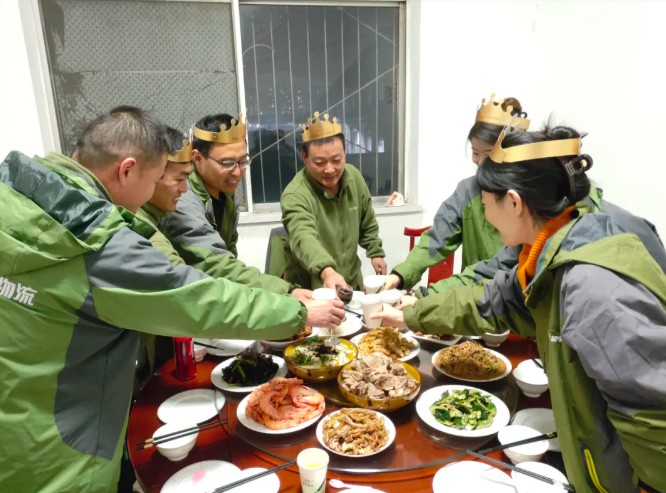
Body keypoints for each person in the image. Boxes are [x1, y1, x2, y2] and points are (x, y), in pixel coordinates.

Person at [0, 106, 344, 493]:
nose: (163, 192)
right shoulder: (94, 240)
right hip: (60, 452)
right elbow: (195, 297)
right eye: (156, 180)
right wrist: (298, 312)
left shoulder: (18, 199)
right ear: (127, 170)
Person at [379, 122, 666, 493]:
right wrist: (410, 314)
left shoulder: (592, 286)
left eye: (486, 206)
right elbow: (491, 300)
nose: (485, 217)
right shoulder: (546, 253)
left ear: (513, 202)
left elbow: (652, 421)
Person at [384, 94, 530, 292]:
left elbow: (500, 267)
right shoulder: (468, 191)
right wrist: (400, 275)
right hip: (473, 298)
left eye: (488, 154)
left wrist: (427, 296)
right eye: (475, 152)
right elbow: (437, 238)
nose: (480, 162)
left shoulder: (529, 197)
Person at [160, 113, 311, 300]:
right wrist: (286, 291)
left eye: (243, 161)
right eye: (227, 163)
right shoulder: (181, 200)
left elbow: (229, 252)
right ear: (197, 158)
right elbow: (216, 263)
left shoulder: (223, 191)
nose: (238, 172)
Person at [280, 112, 386, 290]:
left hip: (351, 282)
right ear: (304, 157)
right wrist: (327, 272)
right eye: (320, 162)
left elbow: (366, 221)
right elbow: (303, 237)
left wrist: (375, 252)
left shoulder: (353, 178)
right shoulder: (295, 195)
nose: (329, 169)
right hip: (312, 289)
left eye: (336, 160)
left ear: (345, 153)